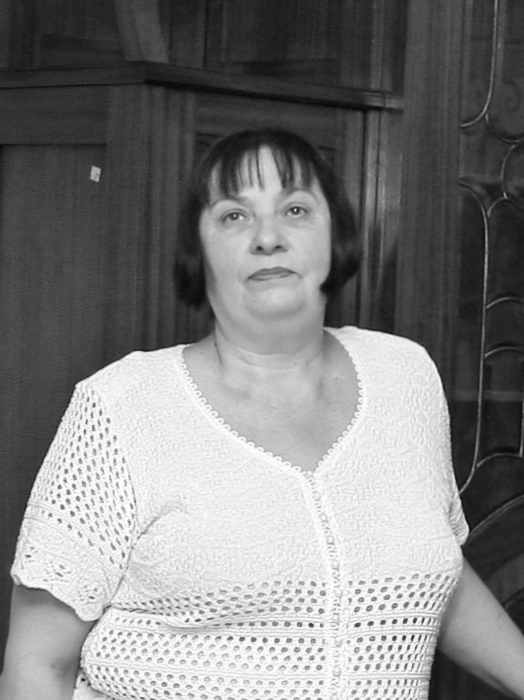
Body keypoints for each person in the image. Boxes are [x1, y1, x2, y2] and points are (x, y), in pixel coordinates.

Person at [1, 127, 523, 700]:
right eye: (234, 216)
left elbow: (431, 569)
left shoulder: (405, 376)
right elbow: (37, 664)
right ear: (197, 252)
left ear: (338, 234)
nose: (268, 238)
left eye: (295, 210)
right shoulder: (122, 407)